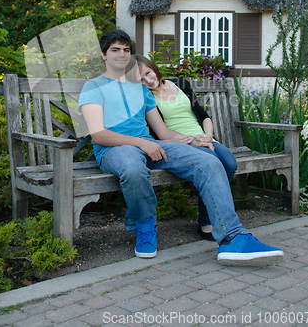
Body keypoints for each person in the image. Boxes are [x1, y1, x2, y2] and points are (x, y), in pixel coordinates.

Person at [78, 29, 284, 266]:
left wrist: (195, 140)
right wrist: (142, 142)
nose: (122, 54)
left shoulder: (140, 89)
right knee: (133, 168)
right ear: (104, 55)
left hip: (152, 145)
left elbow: (164, 133)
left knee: (209, 160)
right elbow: (99, 134)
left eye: (126, 50)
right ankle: (144, 227)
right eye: (115, 50)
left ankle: (233, 237)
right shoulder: (93, 87)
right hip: (115, 150)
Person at [133, 54, 236, 241]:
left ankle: (211, 216)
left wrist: (208, 136)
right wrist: (195, 142)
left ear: (153, 67)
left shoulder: (180, 83)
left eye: (148, 73)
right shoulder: (146, 97)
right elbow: (161, 133)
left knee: (229, 161)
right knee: (214, 162)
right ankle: (206, 222)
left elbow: (203, 114)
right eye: (141, 79)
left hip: (203, 139)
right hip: (180, 143)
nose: (148, 80)